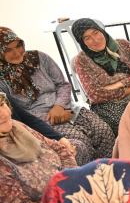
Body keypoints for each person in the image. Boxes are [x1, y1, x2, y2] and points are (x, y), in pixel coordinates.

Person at [0, 27, 115, 165]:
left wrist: (59, 106)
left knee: (103, 131)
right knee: (81, 142)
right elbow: (18, 113)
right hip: (44, 121)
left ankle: (111, 169)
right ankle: (92, 175)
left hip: (68, 108)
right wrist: (53, 116)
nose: (17, 52)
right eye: (8, 50)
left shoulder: (39, 58)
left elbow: (63, 84)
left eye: (18, 46)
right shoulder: (1, 79)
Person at [0, 92, 77, 203]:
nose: (4, 114)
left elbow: (59, 148)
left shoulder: (17, 127)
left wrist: (71, 180)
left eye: (2, 104)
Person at [71, 18, 130, 136]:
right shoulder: (82, 60)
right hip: (107, 104)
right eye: (87, 38)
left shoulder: (123, 45)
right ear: (82, 42)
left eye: (96, 33)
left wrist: (120, 84)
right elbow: (96, 95)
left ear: (101, 30)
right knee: (127, 124)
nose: (95, 40)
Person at [1, 86, 76, 155]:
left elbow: (27, 118)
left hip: (30, 138)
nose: (4, 114)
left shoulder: (2, 96)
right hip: (27, 142)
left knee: (72, 148)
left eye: (2, 104)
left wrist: (60, 138)